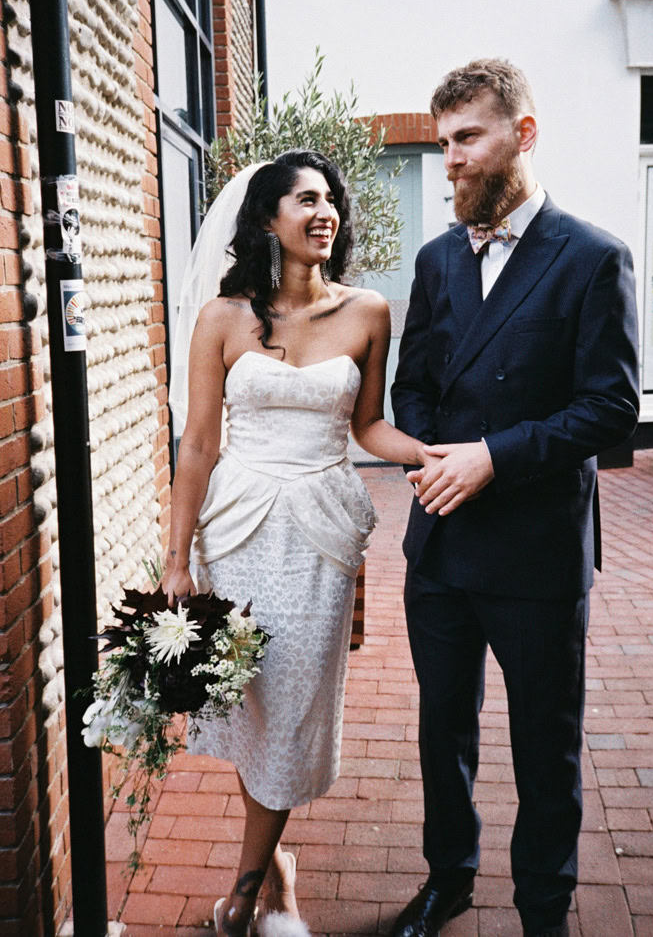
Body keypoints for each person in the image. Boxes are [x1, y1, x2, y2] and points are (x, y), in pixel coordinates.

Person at [390, 59, 640, 937]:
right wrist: (429, 456)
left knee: (544, 746)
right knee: (441, 736)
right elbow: (411, 385)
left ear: (521, 135)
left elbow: (611, 409)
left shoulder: (593, 256)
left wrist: (492, 457)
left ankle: (544, 909)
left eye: (467, 138)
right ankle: (447, 879)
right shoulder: (434, 260)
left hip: (536, 549)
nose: (449, 159)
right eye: (443, 141)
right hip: (443, 545)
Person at [162, 151, 434, 937]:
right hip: (238, 528)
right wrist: (177, 559)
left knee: (292, 708)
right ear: (267, 218)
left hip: (320, 534)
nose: (324, 213)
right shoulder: (223, 318)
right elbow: (198, 445)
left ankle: (245, 893)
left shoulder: (369, 311)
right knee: (250, 703)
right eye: (304, 199)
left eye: (330, 201)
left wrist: (432, 455)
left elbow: (367, 428)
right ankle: (275, 874)